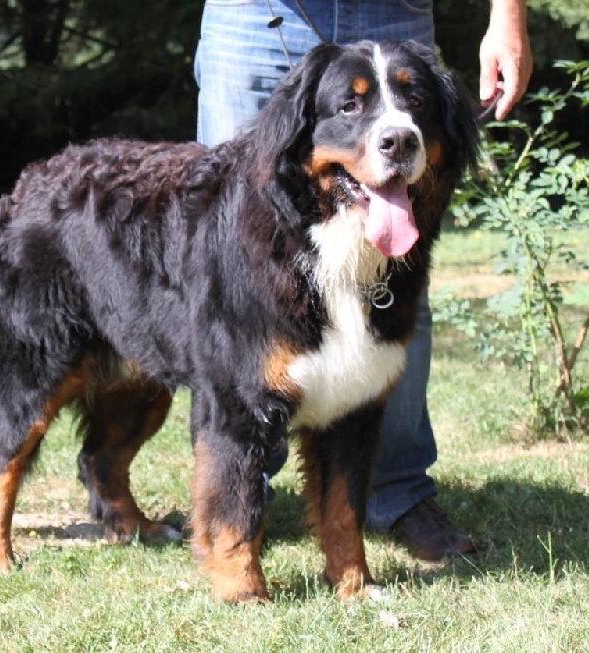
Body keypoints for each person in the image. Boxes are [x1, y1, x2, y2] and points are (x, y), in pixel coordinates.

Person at [193, 0, 532, 561]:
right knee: (232, 286)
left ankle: (397, 492)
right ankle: (239, 502)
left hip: (393, 11)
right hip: (258, 12)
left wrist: (507, 18)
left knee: (399, 294)